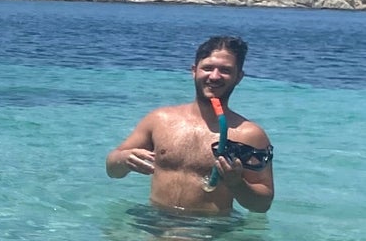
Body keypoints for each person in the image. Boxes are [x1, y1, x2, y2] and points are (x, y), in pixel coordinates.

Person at [106, 36, 274, 214]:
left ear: (238, 77)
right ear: (194, 71)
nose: (215, 76)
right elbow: (112, 170)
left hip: (209, 232)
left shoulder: (249, 135)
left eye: (225, 70)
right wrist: (124, 159)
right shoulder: (159, 120)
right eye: (207, 68)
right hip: (155, 224)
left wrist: (237, 183)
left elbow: (262, 205)